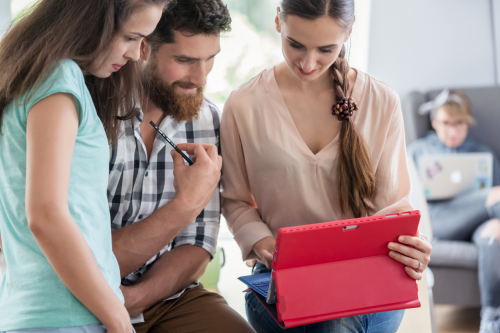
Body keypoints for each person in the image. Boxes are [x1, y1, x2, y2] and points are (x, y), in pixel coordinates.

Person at [220, 0, 433, 332]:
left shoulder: (382, 101)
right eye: (296, 45)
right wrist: (268, 248)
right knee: (330, 323)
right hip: (280, 276)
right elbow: (236, 201)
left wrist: (411, 247)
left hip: (368, 273)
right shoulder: (242, 105)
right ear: (278, 21)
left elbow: (391, 207)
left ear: (348, 33)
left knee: (335, 321)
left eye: (326, 49)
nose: (308, 63)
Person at [0, 0, 167, 332]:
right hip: (68, 316)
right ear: (92, 20)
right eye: (131, 37)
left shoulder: (35, 77)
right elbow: (45, 216)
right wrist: (119, 320)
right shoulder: (58, 78)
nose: (136, 54)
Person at [106, 1, 255, 332]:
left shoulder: (208, 120)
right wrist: (185, 204)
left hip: (166, 298)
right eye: (185, 60)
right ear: (142, 47)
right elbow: (81, 257)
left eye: (210, 59)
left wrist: (135, 299)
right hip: (82, 293)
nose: (200, 77)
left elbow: (198, 243)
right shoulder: (94, 117)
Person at [408, 89, 500, 333]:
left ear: (468, 124)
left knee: (495, 230)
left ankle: (492, 316)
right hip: (438, 220)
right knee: (496, 196)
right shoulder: (418, 151)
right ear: (434, 122)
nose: (453, 131)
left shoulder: (484, 154)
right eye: (446, 123)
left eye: (459, 123)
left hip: (477, 223)